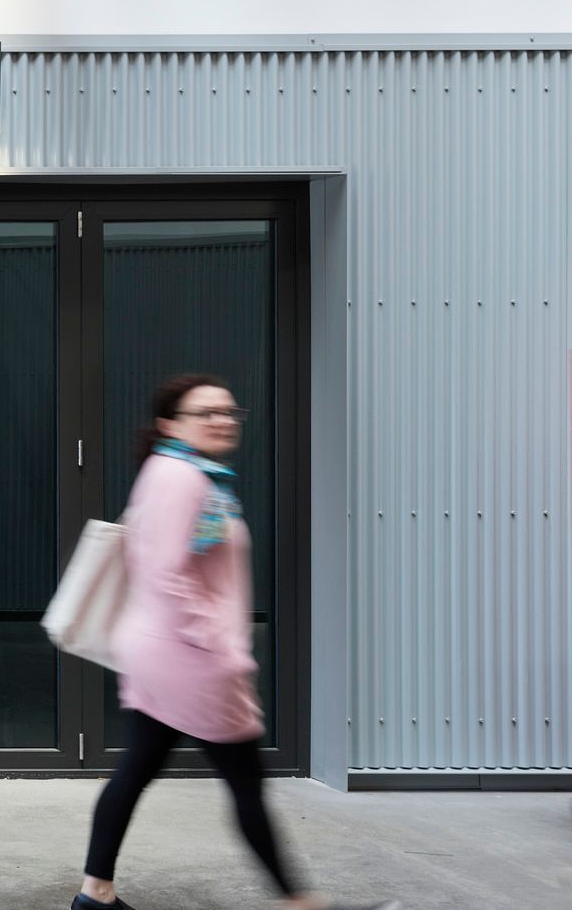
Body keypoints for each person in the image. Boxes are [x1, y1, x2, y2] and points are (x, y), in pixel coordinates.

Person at [74, 374, 392, 910]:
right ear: (170, 424)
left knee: (137, 767)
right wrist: (219, 646)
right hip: (190, 660)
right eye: (206, 413)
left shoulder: (182, 473)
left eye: (228, 411)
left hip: (159, 651)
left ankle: (94, 894)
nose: (222, 421)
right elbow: (166, 573)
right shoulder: (186, 481)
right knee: (245, 784)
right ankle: (302, 903)